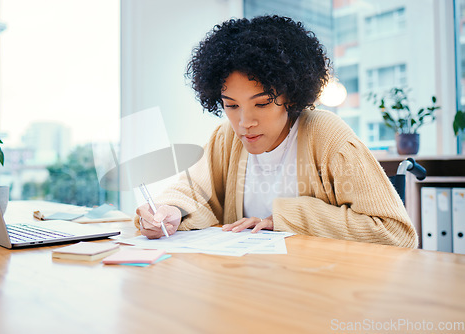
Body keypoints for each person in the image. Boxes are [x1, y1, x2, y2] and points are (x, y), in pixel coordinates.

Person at [135, 15, 418, 248]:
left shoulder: (327, 135)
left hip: (321, 290)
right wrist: (170, 211)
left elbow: (395, 232)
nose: (245, 122)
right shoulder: (227, 138)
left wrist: (281, 218)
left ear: (291, 95)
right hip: (251, 288)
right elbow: (195, 191)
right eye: (232, 106)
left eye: (261, 103)